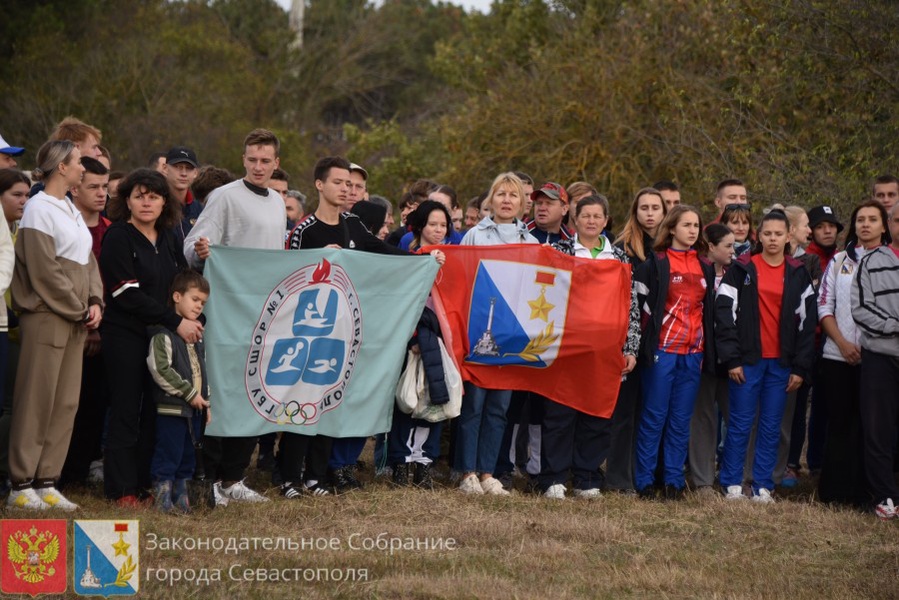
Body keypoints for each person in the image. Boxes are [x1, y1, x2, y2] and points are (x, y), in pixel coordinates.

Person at [184, 129, 285, 504]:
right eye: (252, 160)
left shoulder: (277, 201)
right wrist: (202, 250)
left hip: (265, 314)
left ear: (276, 163)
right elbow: (191, 248)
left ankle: (234, 477)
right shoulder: (224, 197)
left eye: (265, 161)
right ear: (243, 159)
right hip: (226, 313)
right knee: (222, 393)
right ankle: (210, 478)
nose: (258, 167)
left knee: (253, 392)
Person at [6, 140, 102, 511]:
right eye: (78, 162)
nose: (83, 168)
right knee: (36, 400)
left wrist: (95, 301)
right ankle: (20, 484)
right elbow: (45, 270)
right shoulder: (38, 209)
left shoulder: (69, 208)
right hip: (47, 317)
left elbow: (88, 261)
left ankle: (47, 480)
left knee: (64, 402)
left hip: (75, 317)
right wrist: (79, 307)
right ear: (62, 166)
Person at [100, 168, 197, 506]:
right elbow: (125, 294)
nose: (146, 202)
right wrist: (174, 320)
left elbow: (179, 284)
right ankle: (122, 489)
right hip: (124, 334)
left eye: (153, 196)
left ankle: (146, 483)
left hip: (161, 335)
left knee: (156, 410)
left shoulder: (170, 236)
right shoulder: (117, 237)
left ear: (163, 203)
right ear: (126, 200)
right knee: (126, 407)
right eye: (139, 195)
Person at [541, 194, 639, 498]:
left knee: (596, 415)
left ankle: (587, 477)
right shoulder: (559, 252)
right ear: (575, 219)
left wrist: (631, 347)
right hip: (567, 346)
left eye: (598, 216)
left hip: (606, 349)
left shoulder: (619, 258)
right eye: (586, 216)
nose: (592, 221)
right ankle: (554, 478)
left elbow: (630, 306)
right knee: (560, 413)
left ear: (606, 220)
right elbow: (545, 295)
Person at [716, 209, 816, 503]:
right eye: (767, 233)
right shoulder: (741, 268)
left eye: (778, 234)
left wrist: (800, 367)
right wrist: (732, 359)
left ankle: (762, 485)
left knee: (772, 424)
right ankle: (732, 481)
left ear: (788, 237)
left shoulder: (798, 273)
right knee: (740, 423)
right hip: (747, 361)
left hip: (782, 364)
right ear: (758, 236)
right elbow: (724, 315)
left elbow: (807, 324)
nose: (773, 239)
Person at [456, 172, 537, 496]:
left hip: (511, 334)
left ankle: (489, 472)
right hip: (479, 330)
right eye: (501, 194)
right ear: (491, 199)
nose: (506, 200)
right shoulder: (475, 236)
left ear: (522, 203)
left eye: (513, 195)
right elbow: (461, 280)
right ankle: (467, 473)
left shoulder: (530, 242)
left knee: (499, 408)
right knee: (474, 404)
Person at [633, 205, 715, 500]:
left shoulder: (705, 266)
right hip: (662, 351)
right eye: (687, 225)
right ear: (671, 229)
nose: (693, 231)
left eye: (696, 225)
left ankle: (673, 482)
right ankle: (644, 482)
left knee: (681, 420)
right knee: (654, 417)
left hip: (693, 353)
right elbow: (640, 313)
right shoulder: (655, 263)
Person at [818, 201, 889, 507]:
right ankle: (835, 492)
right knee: (840, 424)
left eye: (873, 219)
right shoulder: (839, 261)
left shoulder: (892, 261)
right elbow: (824, 305)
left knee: (871, 427)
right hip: (838, 355)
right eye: (860, 219)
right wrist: (843, 343)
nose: (866, 224)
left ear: (884, 226)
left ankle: (868, 492)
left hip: (878, 357)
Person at [388, 201, 455, 488]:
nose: (438, 230)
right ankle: (401, 463)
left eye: (443, 225)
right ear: (420, 226)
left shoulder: (453, 258)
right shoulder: (407, 257)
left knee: (435, 399)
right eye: (433, 224)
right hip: (413, 338)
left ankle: (425, 462)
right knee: (407, 401)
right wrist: (413, 336)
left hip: (441, 340)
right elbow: (400, 300)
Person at [606, 188, 667, 493]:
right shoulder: (621, 248)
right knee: (624, 414)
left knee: (652, 413)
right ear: (635, 211)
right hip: (628, 340)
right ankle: (618, 479)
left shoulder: (672, 248)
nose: (650, 213)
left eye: (656, 207)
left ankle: (648, 476)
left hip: (663, 344)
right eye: (644, 207)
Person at [60, 157, 110, 488]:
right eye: (93, 186)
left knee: (95, 404)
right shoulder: (64, 224)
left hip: (105, 328)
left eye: (105, 186)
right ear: (75, 188)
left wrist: (99, 327)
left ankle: (80, 471)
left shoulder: (112, 229)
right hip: (67, 325)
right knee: (65, 405)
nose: (101, 193)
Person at [147, 271, 211, 513]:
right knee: (168, 454)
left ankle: (181, 500)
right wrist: (189, 394)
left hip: (194, 410)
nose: (199, 306)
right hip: (172, 409)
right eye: (194, 299)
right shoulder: (163, 334)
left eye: (203, 303)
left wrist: (206, 402)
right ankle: (162, 500)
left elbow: (202, 372)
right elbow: (160, 369)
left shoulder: (197, 337)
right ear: (176, 296)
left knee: (188, 457)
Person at [851, 207, 899, 519]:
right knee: (878, 431)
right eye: (896, 219)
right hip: (881, 358)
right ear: (889, 225)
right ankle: (886, 499)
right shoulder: (870, 261)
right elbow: (861, 310)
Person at [688, 223, 735, 494]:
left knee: (737, 418)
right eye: (727, 246)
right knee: (703, 419)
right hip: (703, 358)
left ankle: (735, 477)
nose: (733, 251)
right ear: (711, 247)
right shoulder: (698, 273)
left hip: (731, 361)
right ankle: (703, 480)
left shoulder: (738, 275)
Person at [0, 170, 23, 490]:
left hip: (8, 325)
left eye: (26, 195)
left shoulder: (17, 230)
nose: (24, 201)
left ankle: (6, 473)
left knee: (7, 404)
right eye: (16, 195)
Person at [163, 146, 201, 248]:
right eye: (178, 167)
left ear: (195, 173)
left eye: (188, 168)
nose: (183, 173)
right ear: (165, 168)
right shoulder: (156, 205)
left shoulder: (200, 209)